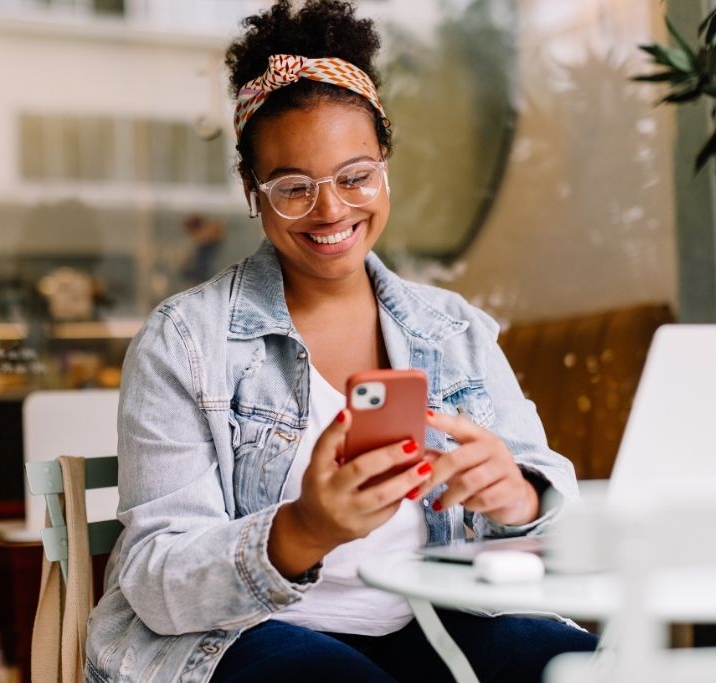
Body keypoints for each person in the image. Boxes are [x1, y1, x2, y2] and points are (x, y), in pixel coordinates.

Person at [86, 2, 597, 681]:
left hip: (431, 618)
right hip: (244, 635)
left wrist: (520, 499)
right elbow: (156, 578)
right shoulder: (184, 341)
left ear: (384, 164)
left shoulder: (456, 329)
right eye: (293, 187)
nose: (331, 210)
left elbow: (565, 522)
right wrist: (301, 530)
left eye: (355, 176)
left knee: (586, 665)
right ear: (251, 189)